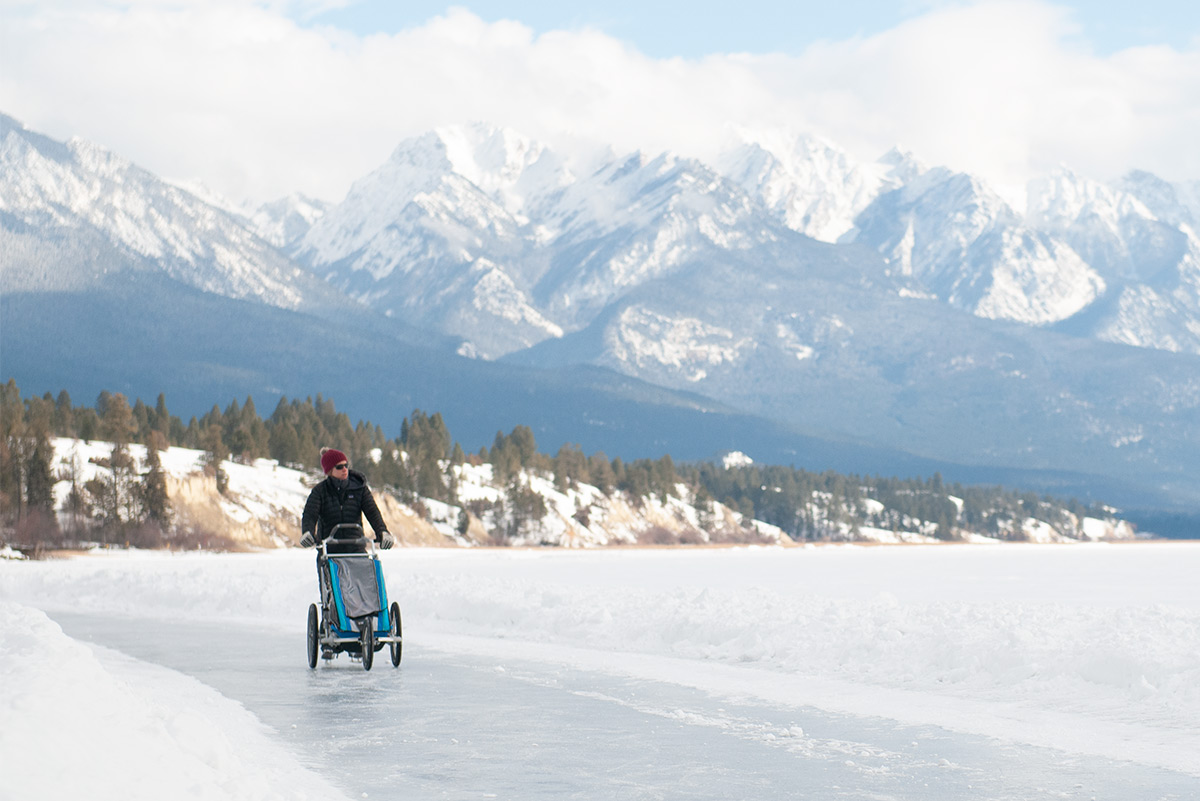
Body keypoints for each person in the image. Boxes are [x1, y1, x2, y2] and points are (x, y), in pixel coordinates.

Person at [300, 447, 395, 551]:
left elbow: (372, 511)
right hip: (329, 550)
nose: (344, 469)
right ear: (330, 470)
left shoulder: (359, 488)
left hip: (356, 548)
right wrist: (307, 532)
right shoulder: (320, 491)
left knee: (370, 565)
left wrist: (382, 532)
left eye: (346, 465)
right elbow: (310, 514)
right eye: (339, 467)